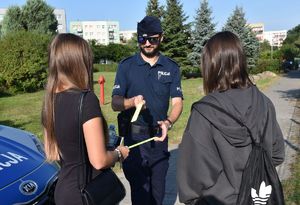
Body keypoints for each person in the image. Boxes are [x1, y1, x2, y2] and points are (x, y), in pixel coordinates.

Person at [176, 31, 285, 205]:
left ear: (210, 66)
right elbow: (277, 155)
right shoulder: (264, 103)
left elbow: (193, 181)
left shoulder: (204, 112)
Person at [41, 33, 129, 205]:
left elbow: (53, 150)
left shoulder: (49, 101)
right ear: (80, 63)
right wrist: (119, 153)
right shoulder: (86, 100)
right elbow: (99, 160)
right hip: (86, 194)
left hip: (63, 192)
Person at [111, 16, 183, 205]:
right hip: (134, 141)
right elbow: (115, 103)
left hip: (159, 139)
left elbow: (177, 103)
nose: (148, 43)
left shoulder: (171, 67)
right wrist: (131, 102)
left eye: (153, 39)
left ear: (161, 38)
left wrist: (168, 122)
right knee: (141, 196)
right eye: (143, 39)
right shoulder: (126, 66)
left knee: (158, 195)